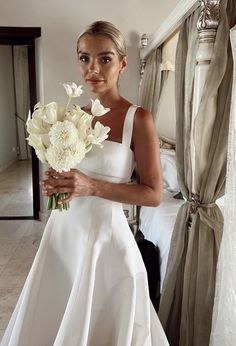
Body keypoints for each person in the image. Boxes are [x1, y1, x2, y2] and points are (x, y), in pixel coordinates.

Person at [1, 21, 168, 346]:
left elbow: (154, 194)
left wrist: (89, 186)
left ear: (122, 63)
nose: (93, 68)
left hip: (104, 241)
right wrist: (58, 184)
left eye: (104, 58)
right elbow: (68, 178)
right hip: (62, 236)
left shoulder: (139, 119)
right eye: (84, 58)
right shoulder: (69, 117)